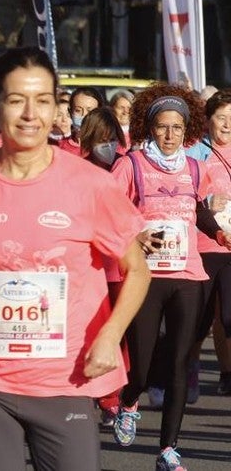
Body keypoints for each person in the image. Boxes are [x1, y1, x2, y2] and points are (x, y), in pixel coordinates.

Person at [0, 47, 151, 471]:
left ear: (56, 105)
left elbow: (138, 269)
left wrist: (111, 334)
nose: (31, 114)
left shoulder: (89, 185)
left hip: (65, 378)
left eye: (43, 100)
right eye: (16, 100)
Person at [109, 84, 219, 471]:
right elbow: (108, 213)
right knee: (141, 364)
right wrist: (135, 235)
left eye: (176, 127)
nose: (170, 135)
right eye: (162, 127)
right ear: (149, 128)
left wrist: (220, 231)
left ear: (186, 130)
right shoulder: (131, 165)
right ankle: (128, 399)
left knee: (178, 363)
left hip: (188, 273)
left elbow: (199, 211)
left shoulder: (194, 167)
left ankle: (168, 449)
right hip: (145, 276)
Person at [196, 91, 231, 395]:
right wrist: (207, 201)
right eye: (221, 117)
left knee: (228, 314)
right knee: (199, 321)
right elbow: (180, 193)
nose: (228, 124)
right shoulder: (196, 152)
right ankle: (188, 371)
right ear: (208, 121)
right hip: (203, 246)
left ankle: (227, 371)